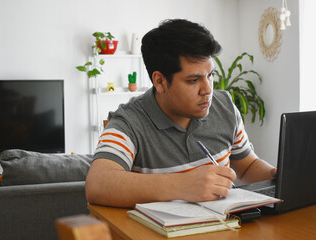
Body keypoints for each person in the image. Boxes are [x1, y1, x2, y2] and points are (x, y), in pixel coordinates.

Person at [85, 19, 276, 208]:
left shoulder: (224, 105)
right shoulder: (129, 121)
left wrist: (279, 177)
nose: (208, 89)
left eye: (210, 75)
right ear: (159, 81)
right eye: (194, 80)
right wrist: (182, 185)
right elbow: (98, 184)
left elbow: (247, 166)